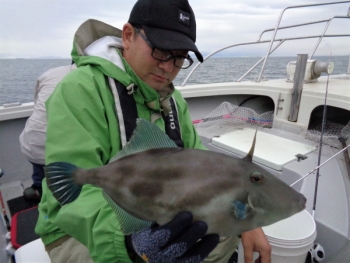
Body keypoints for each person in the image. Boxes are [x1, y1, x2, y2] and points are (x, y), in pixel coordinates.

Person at [35, 0, 271, 262]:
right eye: (160, 50)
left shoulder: (172, 100)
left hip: (154, 210)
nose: (168, 67)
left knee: (226, 234)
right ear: (128, 36)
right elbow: (71, 195)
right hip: (77, 231)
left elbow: (201, 163)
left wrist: (245, 217)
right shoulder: (79, 89)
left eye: (180, 57)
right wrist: (129, 245)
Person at [19, 64, 76, 200]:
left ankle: (38, 189)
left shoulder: (50, 73)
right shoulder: (87, 78)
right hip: (55, 152)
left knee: (40, 168)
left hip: (31, 140)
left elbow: (37, 101)